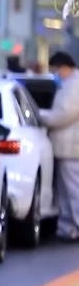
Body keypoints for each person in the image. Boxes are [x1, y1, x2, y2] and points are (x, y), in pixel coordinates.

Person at [40, 51, 79, 242]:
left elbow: (64, 115)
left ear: (64, 67)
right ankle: (68, 227)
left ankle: (73, 225)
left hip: (71, 147)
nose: (55, 74)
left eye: (55, 70)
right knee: (65, 191)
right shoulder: (69, 84)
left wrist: (41, 116)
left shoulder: (74, 85)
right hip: (66, 147)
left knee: (73, 190)